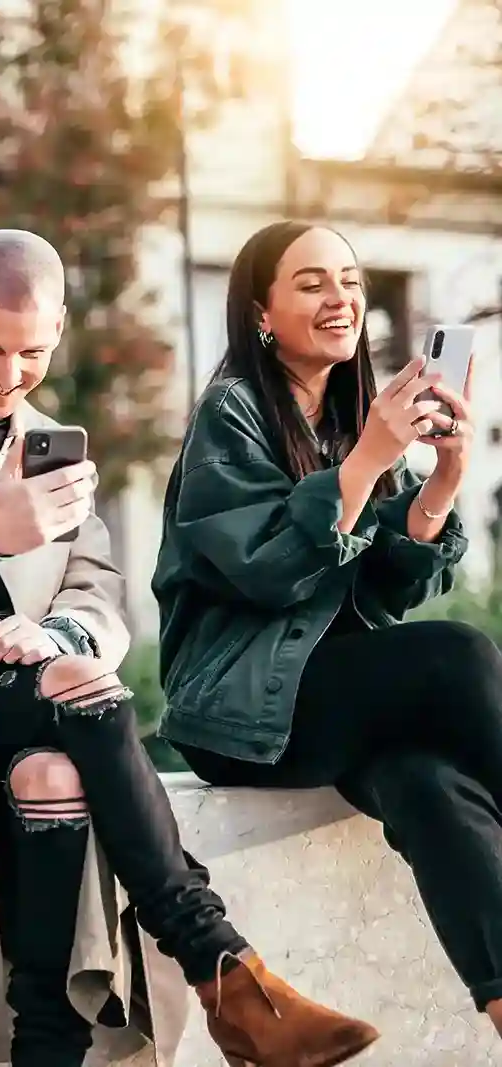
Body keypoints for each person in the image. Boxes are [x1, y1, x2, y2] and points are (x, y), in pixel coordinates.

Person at [0, 229, 382, 1067]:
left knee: (55, 774)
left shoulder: (53, 441)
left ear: (58, 331)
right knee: (77, 700)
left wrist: (51, 633)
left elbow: (98, 593)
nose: (7, 373)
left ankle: (83, 1035)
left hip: (34, 717)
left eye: (31, 351)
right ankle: (220, 966)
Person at [156, 220, 502, 1040]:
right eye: (312, 283)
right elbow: (272, 572)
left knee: (426, 785)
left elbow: (385, 585)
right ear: (262, 312)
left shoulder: (349, 421)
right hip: (237, 709)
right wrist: (371, 459)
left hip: (333, 700)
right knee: (460, 654)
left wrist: (443, 482)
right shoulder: (231, 415)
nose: (341, 298)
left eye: (350, 281)